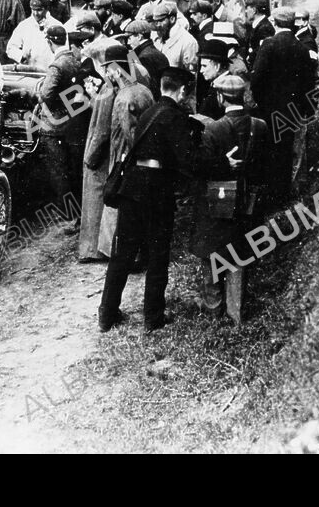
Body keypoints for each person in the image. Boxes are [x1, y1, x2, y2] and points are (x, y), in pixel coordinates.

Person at [98, 66, 202, 332]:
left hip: (132, 187)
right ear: (181, 91)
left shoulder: (149, 112)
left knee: (122, 254)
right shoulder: (174, 117)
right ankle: (152, 318)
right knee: (158, 253)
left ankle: (107, 314)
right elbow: (187, 161)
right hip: (156, 191)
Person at [192, 74, 269, 324]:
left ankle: (213, 306)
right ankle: (235, 313)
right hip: (249, 198)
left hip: (219, 197)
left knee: (212, 250)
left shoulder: (212, 129)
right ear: (243, 96)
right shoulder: (260, 126)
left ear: (219, 97)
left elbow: (204, 167)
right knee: (240, 252)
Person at [80, 43, 154, 263]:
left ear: (113, 68)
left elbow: (102, 129)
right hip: (129, 157)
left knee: (104, 204)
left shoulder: (112, 91)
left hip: (113, 156)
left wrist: (89, 158)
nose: (104, 73)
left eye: (106, 68)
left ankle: (98, 250)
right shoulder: (140, 85)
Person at [249, 8, 317, 206]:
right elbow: (308, 83)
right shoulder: (302, 48)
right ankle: (282, 194)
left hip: (269, 109)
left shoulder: (269, 45)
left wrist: (262, 102)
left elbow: (257, 79)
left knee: (269, 149)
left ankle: (270, 195)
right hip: (292, 110)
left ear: (275, 23)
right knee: (286, 150)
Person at [35, 25, 90, 228]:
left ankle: (68, 215)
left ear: (49, 42)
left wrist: (39, 94)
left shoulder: (56, 66)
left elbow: (47, 95)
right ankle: (75, 213)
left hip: (53, 125)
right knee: (71, 169)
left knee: (58, 171)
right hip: (73, 121)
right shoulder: (75, 60)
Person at [7, 0, 61, 69]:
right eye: (33, 10)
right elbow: (10, 48)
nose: (35, 13)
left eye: (39, 10)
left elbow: (63, 51)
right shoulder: (24, 25)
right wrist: (21, 56)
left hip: (49, 70)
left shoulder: (57, 25)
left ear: (46, 9)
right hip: (29, 71)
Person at [151, 2, 198, 73]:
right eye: (156, 22)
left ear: (172, 19)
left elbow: (191, 76)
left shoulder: (188, 42)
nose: (157, 25)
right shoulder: (158, 36)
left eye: (160, 21)